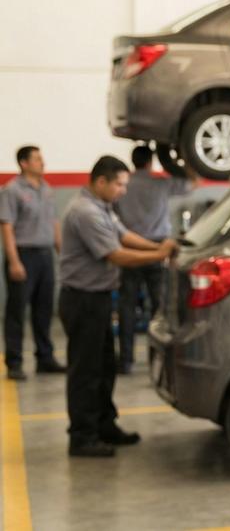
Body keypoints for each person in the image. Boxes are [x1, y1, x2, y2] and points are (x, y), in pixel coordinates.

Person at [59, 156, 177, 457]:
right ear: (101, 182)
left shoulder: (102, 207)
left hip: (96, 299)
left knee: (104, 367)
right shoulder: (86, 212)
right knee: (85, 372)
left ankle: (104, 425)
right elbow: (116, 255)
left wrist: (159, 246)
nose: (124, 190)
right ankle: (82, 437)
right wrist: (159, 255)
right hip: (83, 300)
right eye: (120, 185)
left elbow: (125, 236)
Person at [113, 145, 194, 373]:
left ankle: (126, 360)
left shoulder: (123, 185)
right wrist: (170, 158)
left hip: (129, 248)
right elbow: (192, 182)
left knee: (127, 306)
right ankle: (157, 359)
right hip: (159, 248)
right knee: (159, 308)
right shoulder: (161, 183)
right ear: (151, 162)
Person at [0, 145, 65, 380]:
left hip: (45, 255)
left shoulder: (46, 189)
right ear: (24, 163)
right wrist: (14, 262)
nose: (42, 162)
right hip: (23, 254)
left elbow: (54, 223)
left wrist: (62, 254)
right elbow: (6, 227)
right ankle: (14, 362)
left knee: (44, 309)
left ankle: (45, 358)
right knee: (17, 311)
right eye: (37, 159)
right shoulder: (12, 190)